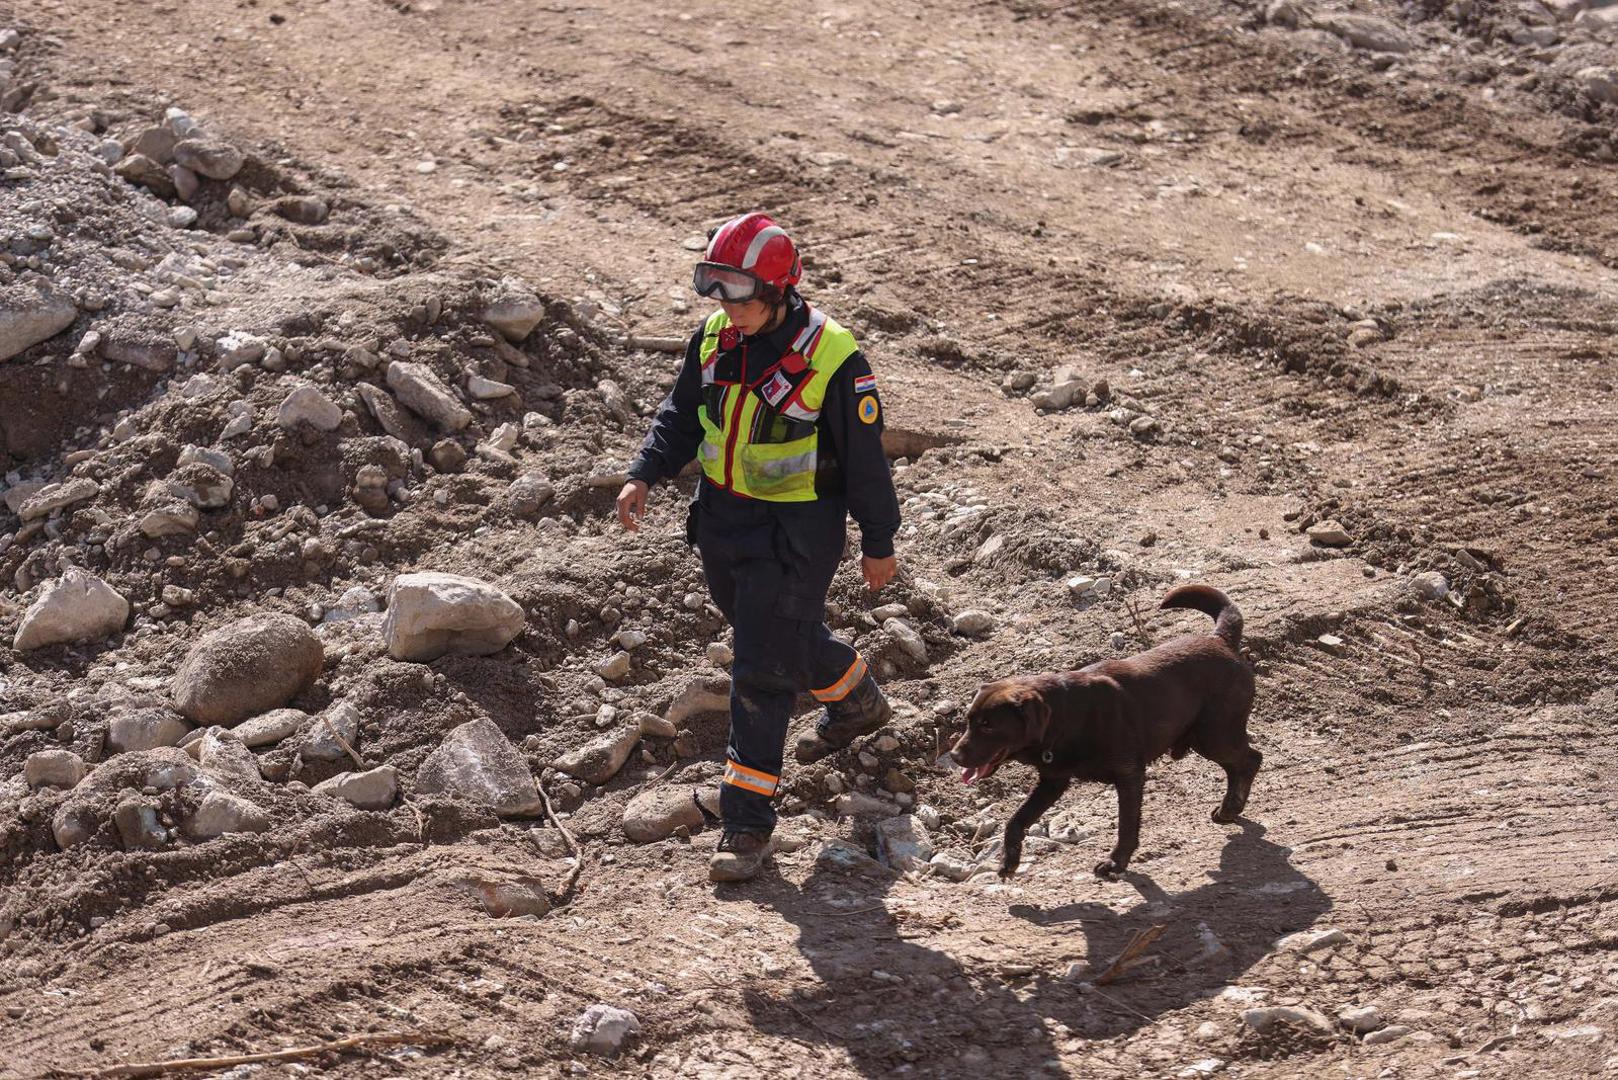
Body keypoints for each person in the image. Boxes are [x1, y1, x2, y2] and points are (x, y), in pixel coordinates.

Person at [617, 213, 902, 883]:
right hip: (722, 523)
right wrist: (644, 472)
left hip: (795, 536)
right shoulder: (716, 336)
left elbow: (866, 464)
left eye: (737, 292)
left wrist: (879, 541)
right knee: (769, 633)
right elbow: (682, 413)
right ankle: (854, 693)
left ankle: (747, 823)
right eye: (714, 288)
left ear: (777, 290)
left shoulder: (833, 357)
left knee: (760, 670)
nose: (725, 305)